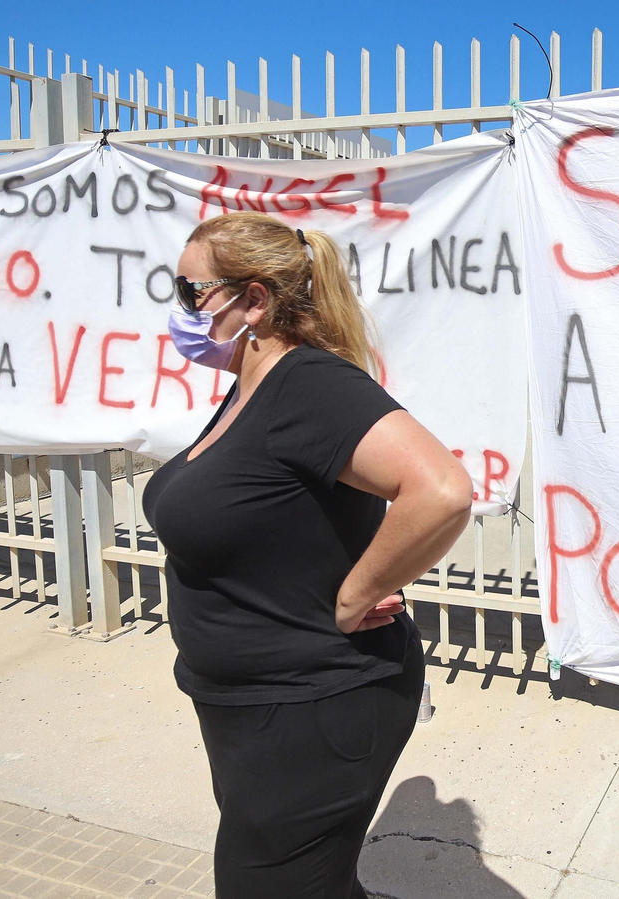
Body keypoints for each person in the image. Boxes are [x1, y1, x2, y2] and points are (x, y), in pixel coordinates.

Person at [142, 212, 474, 897]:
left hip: (316, 705)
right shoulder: (248, 388)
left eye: (191, 291)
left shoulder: (308, 384)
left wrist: (356, 593)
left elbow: (440, 490)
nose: (181, 310)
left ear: (254, 299)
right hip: (251, 709)